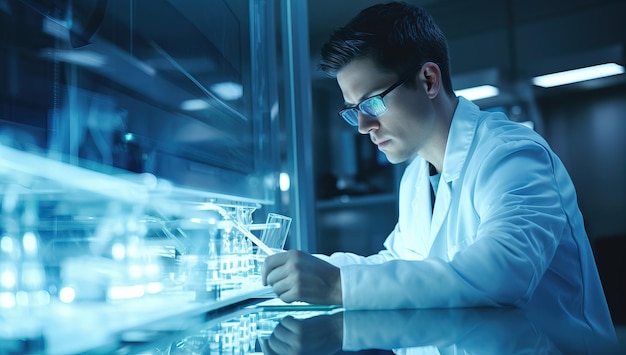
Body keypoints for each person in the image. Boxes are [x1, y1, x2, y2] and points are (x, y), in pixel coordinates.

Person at [262, 1, 615, 337]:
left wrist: (337, 285)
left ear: (429, 80)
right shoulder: (417, 173)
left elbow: (504, 273)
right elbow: (402, 260)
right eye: (354, 109)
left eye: (371, 102)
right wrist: (313, 269)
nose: (363, 125)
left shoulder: (511, 154)